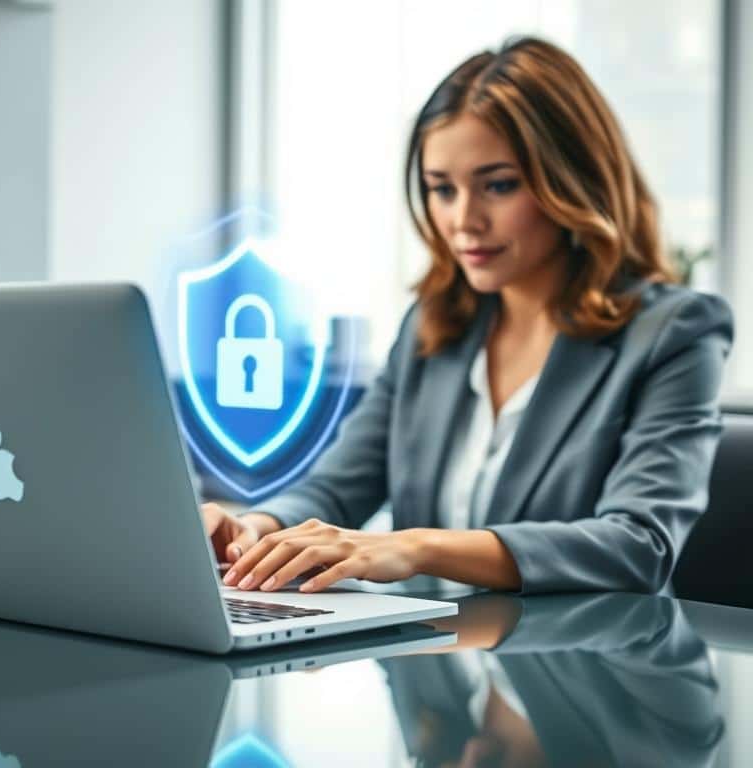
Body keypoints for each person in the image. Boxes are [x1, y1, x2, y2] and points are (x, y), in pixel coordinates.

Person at [202, 36, 733, 596]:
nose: (463, 220)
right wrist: (256, 529)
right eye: (441, 189)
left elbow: (639, 545)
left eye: (498, 186)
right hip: (437, 647)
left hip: (586, 649)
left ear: (573, 180)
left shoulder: (674, 332)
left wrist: (414, 547)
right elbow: (335, 491)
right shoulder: (433, 326)